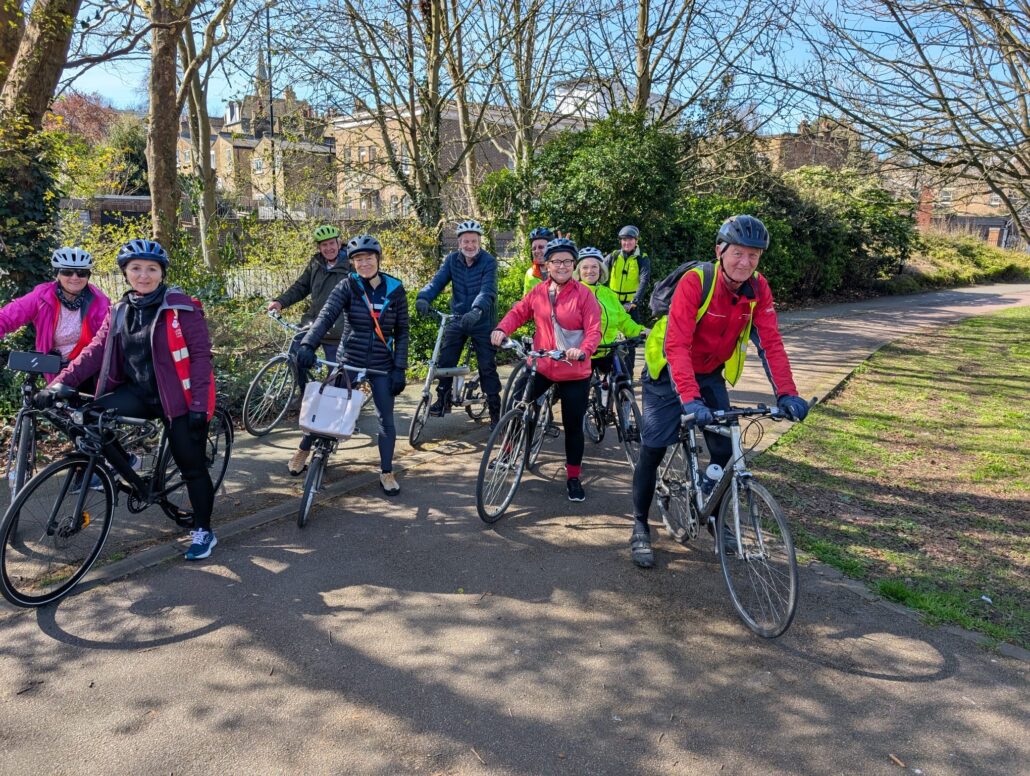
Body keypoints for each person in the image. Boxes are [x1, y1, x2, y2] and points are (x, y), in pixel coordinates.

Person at [628, 215, 809, 568]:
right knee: (653, 448)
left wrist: (787, 393)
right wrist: (690, 399)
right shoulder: (697, 282)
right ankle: (639, 526)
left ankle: (712, 513)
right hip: (667, 370)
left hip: (709, 373)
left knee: (726, 451)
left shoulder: (758, 289)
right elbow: (677, 345)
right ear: (720, 251)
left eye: (753, 255)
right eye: (738, 253)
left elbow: (771, 342)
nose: (745, 262)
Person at [46, 239, 219, 561]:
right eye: (136, 268)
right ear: (125, 273)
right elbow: (95, 352)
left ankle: (203, 530)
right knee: (89, 417)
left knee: (191, 467)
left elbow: (200, 357)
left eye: (151, 269)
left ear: (162, 273)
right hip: (139, 393)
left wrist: (199, 407)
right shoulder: (120, 310)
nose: (143, 275)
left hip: (179, 400)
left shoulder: (182, 308)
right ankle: (127, 470)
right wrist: (59, 384)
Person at [296, 235, 409, 496]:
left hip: (382, 363)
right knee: (326, 408)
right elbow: (326, 316)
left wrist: (399, 369)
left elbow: (402, 332)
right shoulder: (348, 285)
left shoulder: (395, 289)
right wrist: (308, 344)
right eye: (359, 260)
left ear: (378, 259)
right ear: (353, 263)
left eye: (369, 258)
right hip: (350, 359)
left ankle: (386, 471)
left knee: (385, 419)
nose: (364, 264)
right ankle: (304, 449)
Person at [491, 237, 601, 502]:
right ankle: (510, 449)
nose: (562, 266)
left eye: (567, 261)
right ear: (548, 265)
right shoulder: (539, 292)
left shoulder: (584, 295)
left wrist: (583, 350)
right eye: (556, 261)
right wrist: (502, 329)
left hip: (574, 370)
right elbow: (519, 312)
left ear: (573, 265)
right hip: (542, 364)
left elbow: (594, 330)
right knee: (518, 404)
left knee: (573, 425)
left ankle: (573, 477)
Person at [266, 225, 351, 474]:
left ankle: (322, 428)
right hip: (313, 325)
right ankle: (307, 396)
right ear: (319, 248)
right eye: (324, 245)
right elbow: (301, 287)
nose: (329, 248)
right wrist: (280, 301)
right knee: (296, 357)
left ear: (339, 243)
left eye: (332, 243)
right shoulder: (316, 264)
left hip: (337, 332)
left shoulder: (351, 266)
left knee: (336, 382)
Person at [415, 220, 502, 427]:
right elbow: (437, 282)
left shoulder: (489, 262)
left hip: (482, 320)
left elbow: (487, 291)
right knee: (445, 358)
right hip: (458, 318)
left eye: (473, 241)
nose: (469, 245)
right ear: (459, 243)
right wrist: (424, 297)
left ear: (479, 242)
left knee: (486, 366)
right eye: (465, 241)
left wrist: (477, 310)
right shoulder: (452, 260)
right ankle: (443, 399)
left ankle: (495, 410)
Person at [0, 247, 111, 383]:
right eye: (67, 272)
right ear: (57, 274)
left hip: (88, 370)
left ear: (88, 276)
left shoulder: (100, 301)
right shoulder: (42, 297)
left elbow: (107, 339)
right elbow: (7, 317)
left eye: (81, 273)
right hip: (53, 369)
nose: (75, 277)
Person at [574, 246, 648, 381]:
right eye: (585, 267)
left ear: (600, 270)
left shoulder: (608, 293)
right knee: (582, 390)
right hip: (584, 353)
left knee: (623, 381)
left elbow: (623, 319)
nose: (590, 271)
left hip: (608, 350)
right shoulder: (574, 293)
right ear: (578, 271)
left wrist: (641, 331)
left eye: (594, 267)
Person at [523, 226, 554, 295]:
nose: (536, 251)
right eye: (534, 248)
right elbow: (526, 299)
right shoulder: (529, 273)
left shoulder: (563, 270)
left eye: (541, 247)